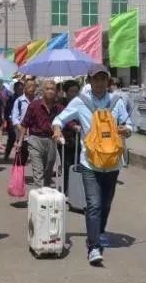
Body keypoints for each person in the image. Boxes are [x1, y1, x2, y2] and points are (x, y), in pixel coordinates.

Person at [51, 64, 133, 267]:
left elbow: (130, 124)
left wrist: (126, 130)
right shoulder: (80, 102)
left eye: (103, 79)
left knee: (105, 203)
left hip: (113, 163)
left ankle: (100, 231)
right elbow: (59, 119)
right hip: (89, 163)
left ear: (108, 81)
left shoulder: (117, 102)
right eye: (95, 79)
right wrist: (57, 130)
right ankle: (94, 246)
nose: (99, 82)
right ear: (89, 81)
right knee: (94, 205)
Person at [18, 79, 64, 189]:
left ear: (56, 92)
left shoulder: (59, 108)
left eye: (52, 89)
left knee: (48, 171)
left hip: (51, 141)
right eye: (47, 89)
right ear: (43, 91)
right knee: (38, 172)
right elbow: (25, 124)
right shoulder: (34, 105)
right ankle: (40, 197)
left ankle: (46, 194)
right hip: (35, 140)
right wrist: (19, 141)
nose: (50, 91)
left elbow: (67, 120)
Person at [60, 80, 82, 194]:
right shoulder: (61, 105)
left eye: (76, 92)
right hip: (65, 142)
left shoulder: (81, 104)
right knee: (66, 166)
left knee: (78, 165)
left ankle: (76, 191)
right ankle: (65, 191)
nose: (74, 94)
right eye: (71, 91)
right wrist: (73, 125)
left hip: (79, 140)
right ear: (66, 92)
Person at [10, 77, 36, 162]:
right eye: (29, 86)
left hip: (35, 134)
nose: (32, 88)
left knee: (36, 158)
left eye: (33, 86)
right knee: (21, 158)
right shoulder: (19, 101)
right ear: (25, 88)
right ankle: (19, 175)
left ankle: (37, 174)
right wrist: (20, 128)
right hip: (22, 134)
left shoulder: (38, 101)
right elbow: (14, 117)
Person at [2, 80, 24, 161]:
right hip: (12, 122)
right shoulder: (11, 98)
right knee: (11, 138)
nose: (20, 90)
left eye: (21, 89)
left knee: (22, 140)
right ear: (15, 89)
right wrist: (7, 119)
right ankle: (7, 154)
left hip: (22, 122)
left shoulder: (24, 99)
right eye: (18, 89)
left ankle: (21, 157)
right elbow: (7, 111)